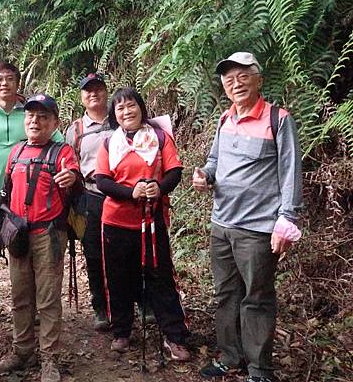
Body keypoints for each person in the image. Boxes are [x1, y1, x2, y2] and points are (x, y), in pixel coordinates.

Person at [194, 52, 302, 382]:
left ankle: (259, 370)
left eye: (243, 76)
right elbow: (214, 161)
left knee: (256, 298)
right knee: (226, 295)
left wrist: (287, 219)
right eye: (229, 78)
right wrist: (206, 176)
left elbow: (290, 173)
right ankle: (230, 357)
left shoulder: (278, 119)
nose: (236, 83)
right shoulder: (225, 120)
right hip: (222, 224)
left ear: (259, 80)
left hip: (257, 230)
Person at [94, 87, 190, 361]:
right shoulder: (109, 143)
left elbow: (175, 171)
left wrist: (158, 189)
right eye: (120, 108)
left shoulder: (159, 137)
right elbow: (102, 180)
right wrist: (131, 192)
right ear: (114, 114)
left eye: (131, 105)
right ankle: (122, 331)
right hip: (116, 221)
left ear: (141, 107)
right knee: (118, 277)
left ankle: (175, 337)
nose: (127, 112)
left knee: (161, 278)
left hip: (152, 220)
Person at [0, 94, 81, 382]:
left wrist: (72, 179)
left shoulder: (62, 152)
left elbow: (75, 180)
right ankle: (22, 350)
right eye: (30, 116)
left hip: (48, 233)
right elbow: (4, 195)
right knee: (20, 295)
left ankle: (49, 358)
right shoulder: (15, 152)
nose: (34, 121)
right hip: (18, 233)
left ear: (54, 122)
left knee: (48, 298)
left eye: (43, 116)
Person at [0, 62, 63, 330]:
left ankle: (32, 306)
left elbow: (59, 141)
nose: (4, 84)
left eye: (10, 79)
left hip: (27, 199)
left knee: (29, 252)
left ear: (18, 83)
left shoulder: (32, 112)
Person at [64, 73, 113, 331]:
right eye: (88, 91)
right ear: (81, 97)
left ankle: (135, 301)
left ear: (107, 92)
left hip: (122, 196)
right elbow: (68, 162)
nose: (93, 94)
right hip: (88, 196)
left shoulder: (121, 120)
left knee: (127, 251)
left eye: (98, 89)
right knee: (93, 253)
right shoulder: (75, 130)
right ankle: (100, 308)